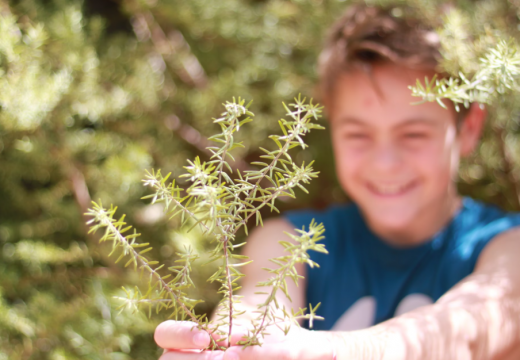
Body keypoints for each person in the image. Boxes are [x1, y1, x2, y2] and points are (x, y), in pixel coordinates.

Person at [154, 3, 520, 359]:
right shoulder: (289, 240)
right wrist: (226, 348)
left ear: (469, 128)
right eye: (358, 134)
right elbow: (258, 306)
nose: (385, 164)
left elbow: (474, 324)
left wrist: (337, 351)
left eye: (414, 134)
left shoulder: (507, 247)